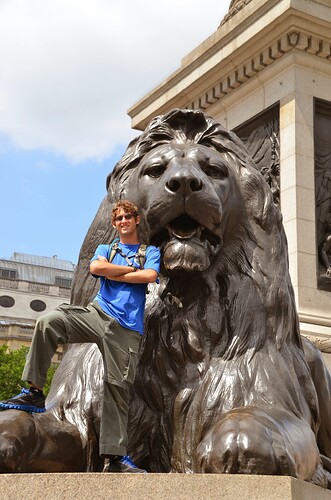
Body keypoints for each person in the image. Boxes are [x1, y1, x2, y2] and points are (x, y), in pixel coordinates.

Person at [0, 200, 161, 473]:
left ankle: (115, 458)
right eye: (118, 218)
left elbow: (150, 275)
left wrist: (117, 270)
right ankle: (34, 391)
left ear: (136, 220)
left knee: (116, 390)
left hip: (126, 328)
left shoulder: (150, 251)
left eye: (127, 217)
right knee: (48, 321)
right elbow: (97, 270)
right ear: (114, 223)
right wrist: (131, 272)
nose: (123, 221)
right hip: (96, 314)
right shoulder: (105, 249)